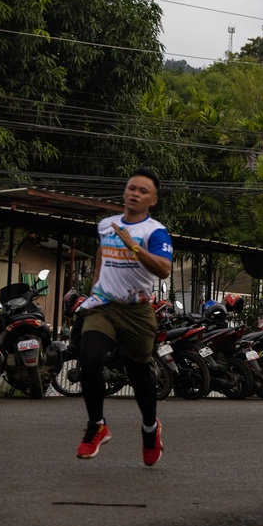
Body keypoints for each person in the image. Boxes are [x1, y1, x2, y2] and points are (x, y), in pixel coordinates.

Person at [76, 168, 173, 465]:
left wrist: (132, 245)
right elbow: (101, 254)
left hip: (137, 311)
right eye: (131, 188)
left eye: (143, 191)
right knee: (89, 361)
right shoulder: (106, 224)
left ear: (153, 200)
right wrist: (94, 286)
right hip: (104, 306)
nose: (134, 193)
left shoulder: (154, 232)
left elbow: (163, 269)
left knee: (138, 372)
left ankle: (149, 428)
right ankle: (97, 425)